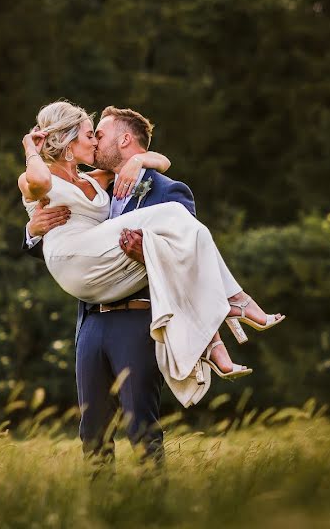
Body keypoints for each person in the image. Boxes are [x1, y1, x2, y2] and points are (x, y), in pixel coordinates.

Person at [20, 101, 285, 466]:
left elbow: (188, 251)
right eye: (89, 134)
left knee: (141, 424)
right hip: (90, 312)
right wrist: (32, 229)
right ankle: (233, 303)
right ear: (67, 140)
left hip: (135, 319)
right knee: (92, 428)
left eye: (99, 134)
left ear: (126, 140)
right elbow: (41, 197)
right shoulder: (70, 178)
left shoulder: (156, 188)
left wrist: (141, 162)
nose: (94, 142)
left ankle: (152, 502)